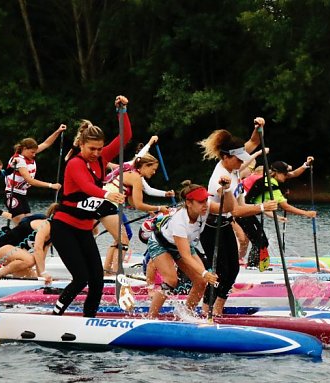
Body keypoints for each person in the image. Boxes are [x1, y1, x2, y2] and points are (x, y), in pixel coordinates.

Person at [51, 95, 130, 318]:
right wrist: (109, 194)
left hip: (84, 229)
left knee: (97, 279)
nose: (96, 153)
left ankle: (89, 319)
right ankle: (56, 315)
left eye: (99, 149)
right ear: (82, 144)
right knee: (81, 278)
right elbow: (86, 187)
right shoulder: (75, 163)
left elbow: (126, 137)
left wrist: (122, 111)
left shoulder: (102, 158)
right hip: (64, 228)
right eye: (92, 149)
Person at [197, 119, 275, 317]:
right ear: (225, 157)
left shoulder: (232, 165)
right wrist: (262, 207)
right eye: (238, 159)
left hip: (223, 225)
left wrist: (259, 127)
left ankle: (218, 310)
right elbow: (237, 211)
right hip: (210, 229)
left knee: (233, 271)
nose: (242, 162)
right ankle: (205, 311)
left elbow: (254, 141)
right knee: (221, 273)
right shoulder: (220, 180)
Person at [146, 181, 223, 318]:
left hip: (183, 244)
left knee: (201, 281)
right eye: (200, 202)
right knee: (171, 280)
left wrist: (227, 191)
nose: (205, 204)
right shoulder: (179, 221)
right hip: (161, 244)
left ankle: (186, 315)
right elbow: (186, 257)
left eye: (206, 200)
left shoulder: (206, 208)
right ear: (189, 203)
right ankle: (150, 317)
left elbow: (229, 208)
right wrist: (205, 272)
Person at [99, 153, 170, 276]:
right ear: (144, 166)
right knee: (123, 240)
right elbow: (138, 204)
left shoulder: (133, 175)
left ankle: (107, 271)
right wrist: (159, 208)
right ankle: (116, 274)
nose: (154, 173)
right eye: (153, 169)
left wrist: (149, 210)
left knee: (120, 239)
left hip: (107, 204)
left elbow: (132, 201)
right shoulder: (135, 177)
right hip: (107, 204)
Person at [242, 158, 314, 269]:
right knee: (260, 241)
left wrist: (306, 165)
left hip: (249, 212)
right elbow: (285, 206)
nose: (286, 176)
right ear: (277, 173)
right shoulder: (271, 186)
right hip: (243, 213)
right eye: (285, 174)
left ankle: (254, 265)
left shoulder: (271, 178)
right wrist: (306, 213)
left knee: (262, 241)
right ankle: (252, 266)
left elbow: (294, 173)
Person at [5, 125, 66, 224]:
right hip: (12, 194)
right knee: (21, 224)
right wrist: (51, 185)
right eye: (32, 152)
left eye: (35, 152)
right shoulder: (19, 160)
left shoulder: (29, 153)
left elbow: (46, 143)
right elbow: (30, 180)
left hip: (22, 194)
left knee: (28, 223)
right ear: (24, 149)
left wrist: (58, 131)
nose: (34, 155)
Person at [0, 204, 57, 281]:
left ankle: (7, 274)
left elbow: (41, 258)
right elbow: (37, 249)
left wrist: (41, 277)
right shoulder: (45, 225)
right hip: (1, 247)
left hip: (14, 254)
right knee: (30, 260)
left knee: (32, 278)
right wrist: (43, 273)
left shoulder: (53, 234)